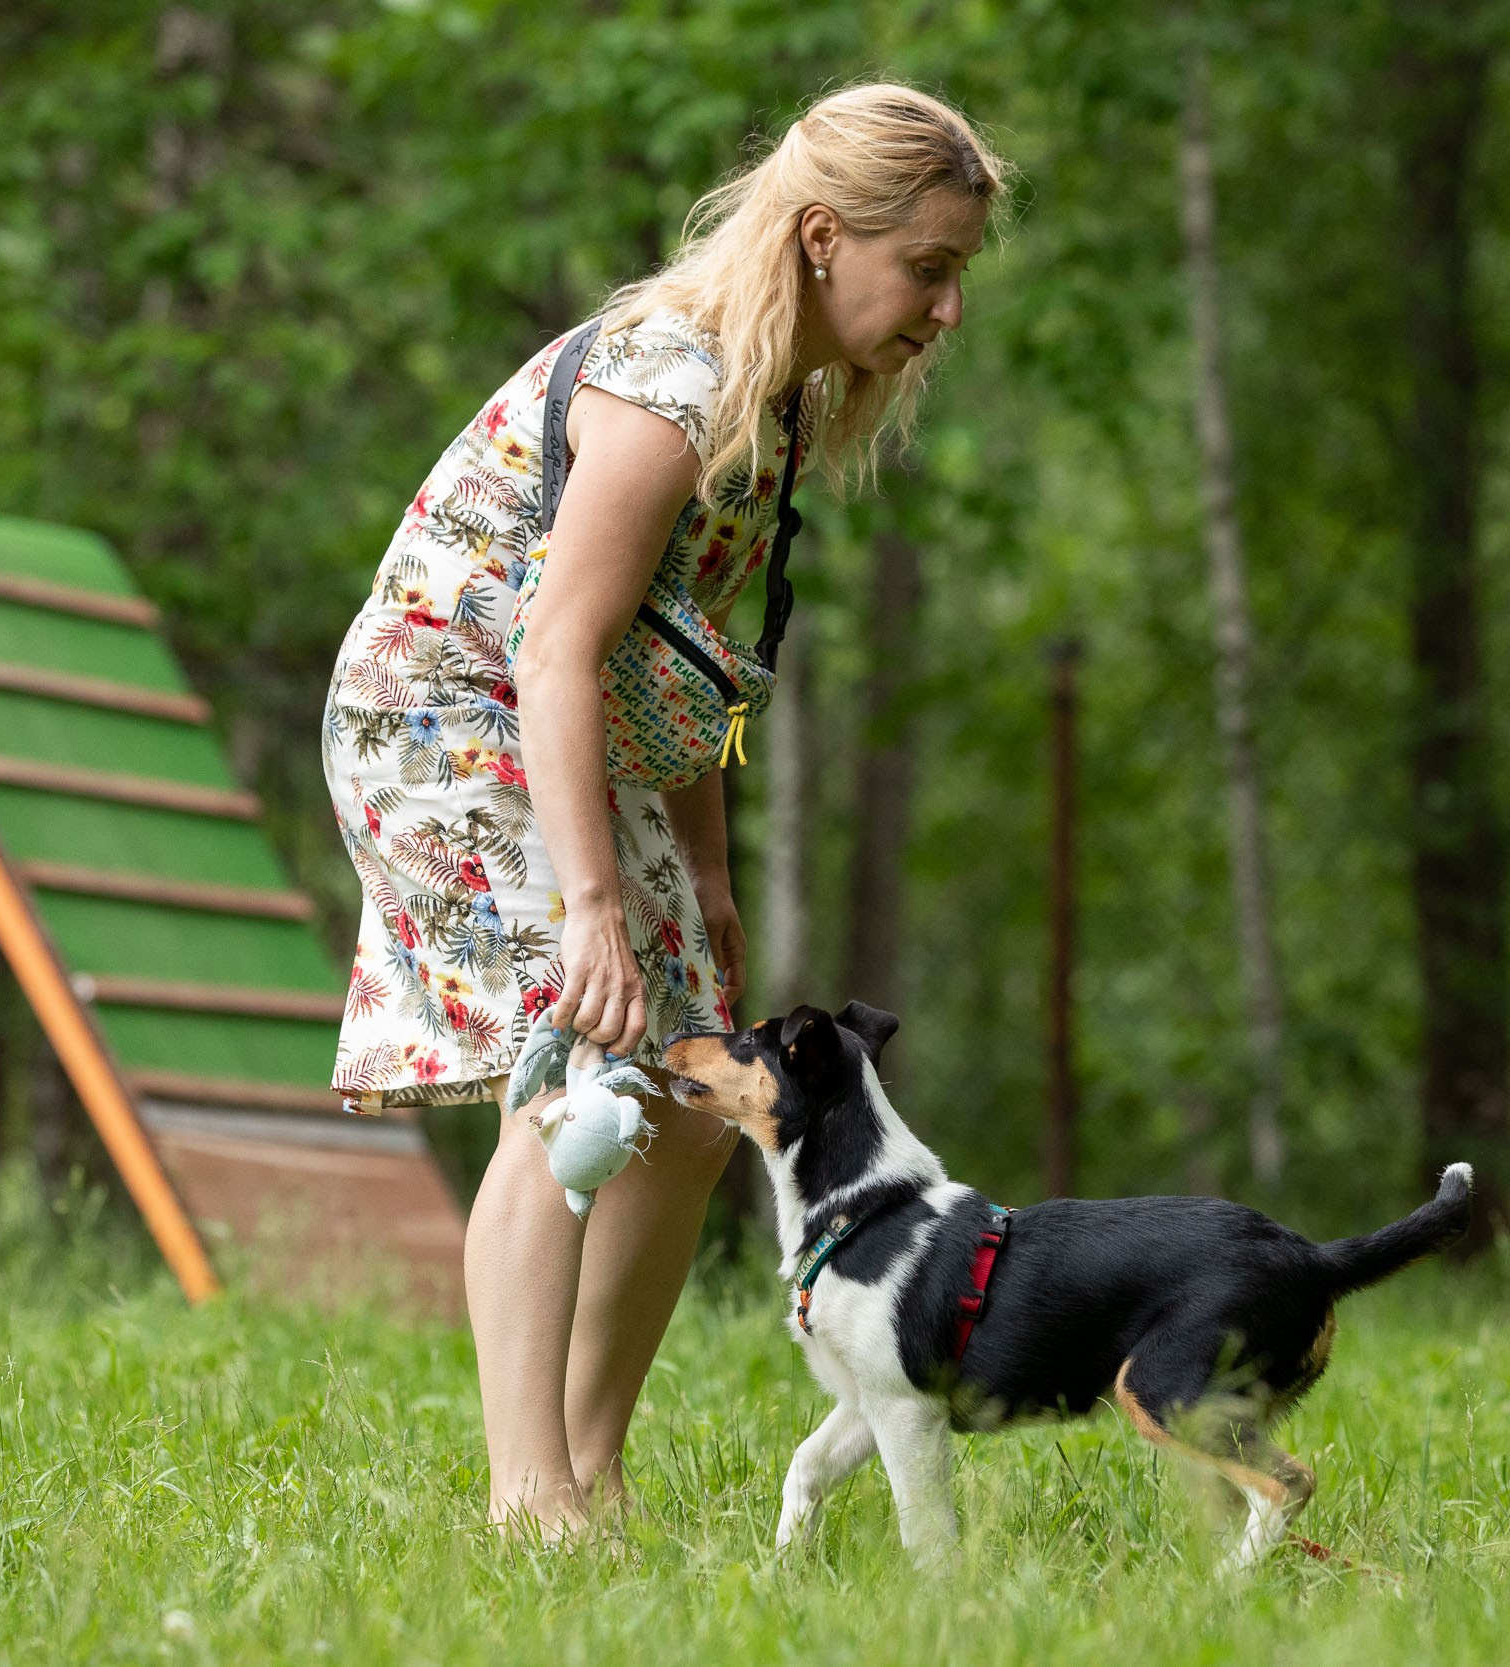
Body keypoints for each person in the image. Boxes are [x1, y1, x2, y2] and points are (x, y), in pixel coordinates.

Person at [318, 83, 1008, 1542]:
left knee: (692, 1106)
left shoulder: (777, 402)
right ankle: (529, 1501)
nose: (946, 312)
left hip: (575, 724)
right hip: (448, 713)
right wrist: (590, 909)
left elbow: (674, 648)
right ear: (825, 238)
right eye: (929, 270)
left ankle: (591, 1471)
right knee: (573, 1069)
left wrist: (702, 871)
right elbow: (555, 643)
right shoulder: (670, 384)